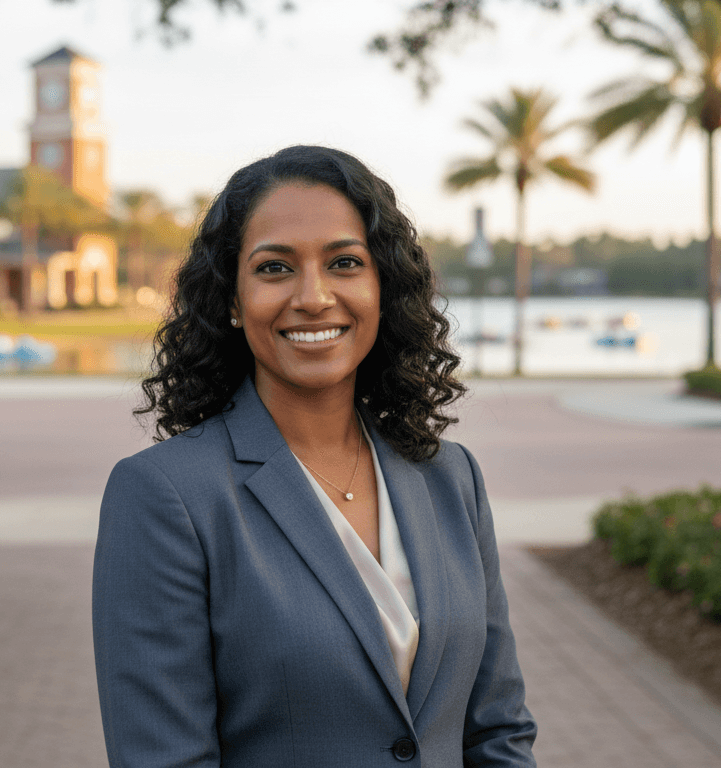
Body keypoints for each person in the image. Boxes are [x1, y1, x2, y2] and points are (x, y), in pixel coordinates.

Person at [93, 145, 536, 767]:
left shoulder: (450, 477)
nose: (313, 296)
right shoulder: (167, 496)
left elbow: (498, 731)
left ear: (382, 287)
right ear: (231, 298)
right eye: (275, 268)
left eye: (344, 263)